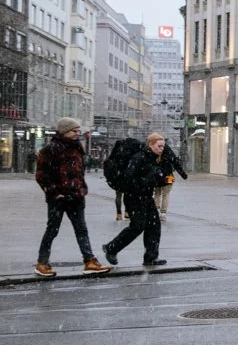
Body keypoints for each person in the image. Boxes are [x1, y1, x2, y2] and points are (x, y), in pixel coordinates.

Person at [34, 118, 112, 277]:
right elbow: (41, 175)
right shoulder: (50, 149)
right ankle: (42, 263)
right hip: (58, 198)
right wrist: (55, 193)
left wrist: (81, 189)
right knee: (52, 230)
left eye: (78, 131)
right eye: (74, 131)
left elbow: (79, 171)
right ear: (64, 131)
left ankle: (89, 260)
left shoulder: (77, 147)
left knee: (81, 229)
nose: (77, 133)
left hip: (76, 197)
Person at [103, 133, 170, 268]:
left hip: (146, 197)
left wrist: (160, 179)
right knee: (137, 226)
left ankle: (150, 257)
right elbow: (130, 177)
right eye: (159, 146)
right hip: (134, 197)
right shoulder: (139, 157)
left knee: (154, 226)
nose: (161, 149)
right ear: (151, 144)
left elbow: (150, 176)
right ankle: (111, 248)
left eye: (163, 146)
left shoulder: (151, 158)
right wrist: (148, 181)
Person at [152, 136, 188, 220]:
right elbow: (176, 163)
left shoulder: (154, 151)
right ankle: (163, 213)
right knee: (166, 194)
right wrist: (183, 175)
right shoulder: (168, 151)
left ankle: (156, 210)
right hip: (169, 176)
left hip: (157, 176)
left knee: (157, 193)